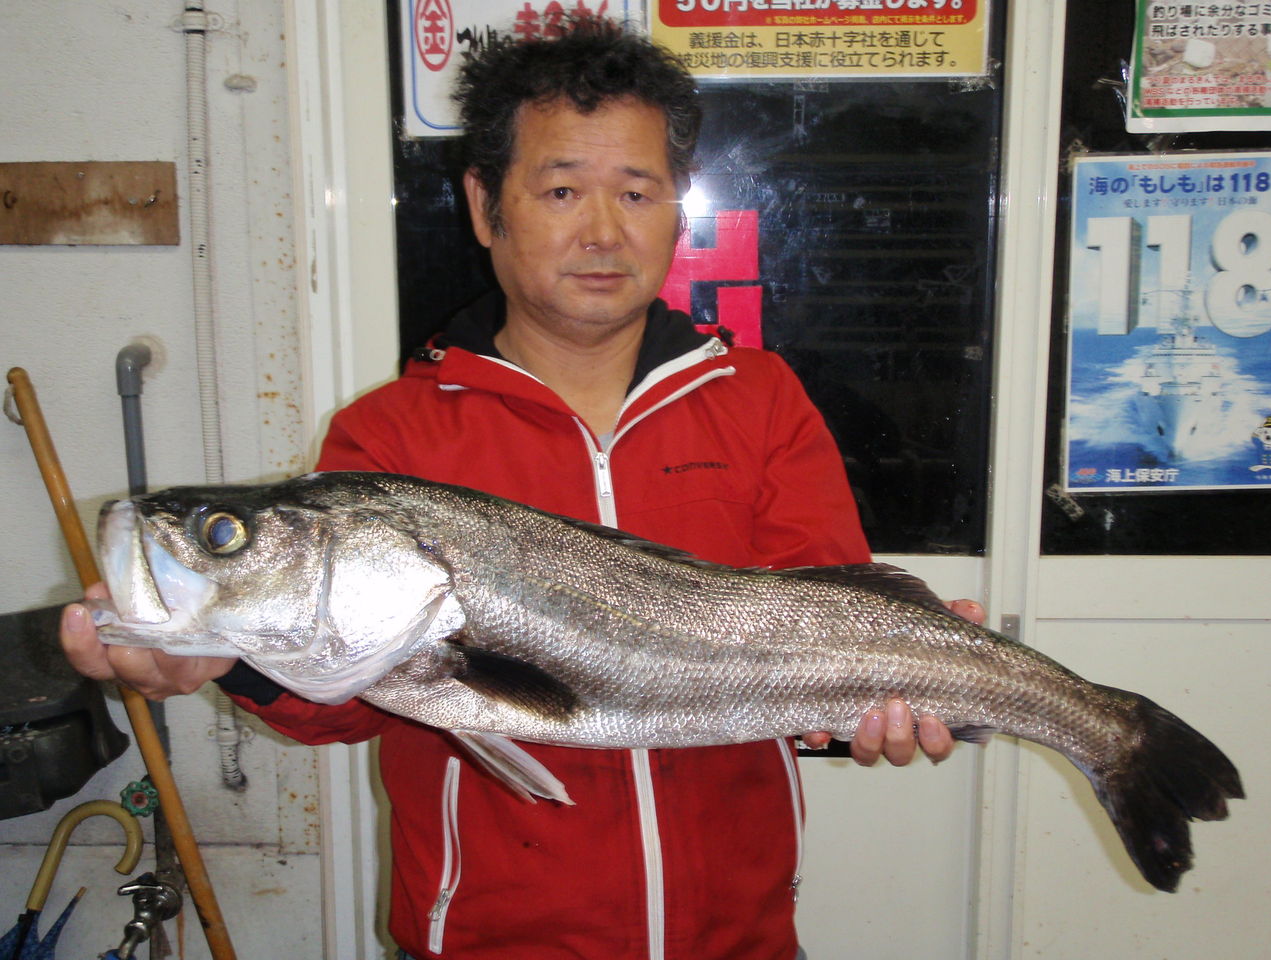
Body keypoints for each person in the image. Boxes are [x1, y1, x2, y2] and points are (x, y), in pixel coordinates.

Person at [62, 17, 982, 960]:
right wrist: (231, 662)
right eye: (560, 190)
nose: (604, 231)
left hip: (737, 936)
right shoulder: (391, 438)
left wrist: (871, 707)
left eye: (638, 192)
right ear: (484, 205)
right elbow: (347, 701)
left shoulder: (759, 399)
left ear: (678, 208)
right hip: (489, 939)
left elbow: (821, 626)